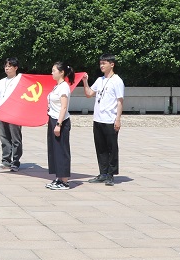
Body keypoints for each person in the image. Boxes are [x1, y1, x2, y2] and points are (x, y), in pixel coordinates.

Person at [82, 54, 125, 186]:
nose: (101, 65)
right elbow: (89, 94)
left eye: (104, 63)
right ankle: (102, 173)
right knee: (100, 148)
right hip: (98, 119)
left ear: (112, 64)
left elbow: (120, 101)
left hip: (110, 119)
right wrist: (85, 81)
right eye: (100, 63)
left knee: (112, 148)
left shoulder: (117, 81)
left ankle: (111, 175)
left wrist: (118, 119)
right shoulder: (99, 80)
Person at [46, 61, 74, 190]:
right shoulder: (57, 86)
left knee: (62, 151)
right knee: (54, 150)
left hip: (60, 121)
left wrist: (58, 124)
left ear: (61, 72)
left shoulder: (64, 87)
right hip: (53, 119)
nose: (52, 73)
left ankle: (65, 181)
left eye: (54, 70)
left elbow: (63, 107)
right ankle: (59, 177)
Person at [0, 58, 23, 171]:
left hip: (15, 113)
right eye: (6, 66)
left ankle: (16, 161)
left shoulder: (20, 80)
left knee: (15, 138)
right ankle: (6, 161)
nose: (7, 68)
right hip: (3, 113)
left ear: (16, 68)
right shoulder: (1, 82)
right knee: (4, 137)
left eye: (10, 66)